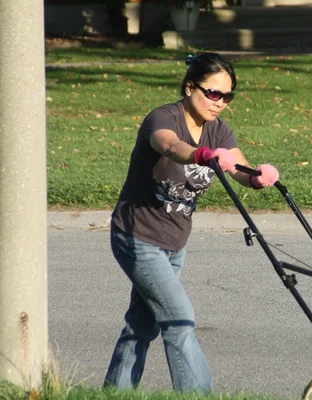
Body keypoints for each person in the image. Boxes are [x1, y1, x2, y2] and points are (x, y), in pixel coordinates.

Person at [104, 52, 279, 393]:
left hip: (174, 242)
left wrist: (257, 177)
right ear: (189, 87)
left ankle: (115, 392)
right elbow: (168, 145)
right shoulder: (163, 118)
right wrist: (199, 154)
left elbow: (239, 168)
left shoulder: (218, 130)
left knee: (142, 323)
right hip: (137, 236)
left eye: (227, 96)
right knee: (179, 318)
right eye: (213, 93)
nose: (220, 103)